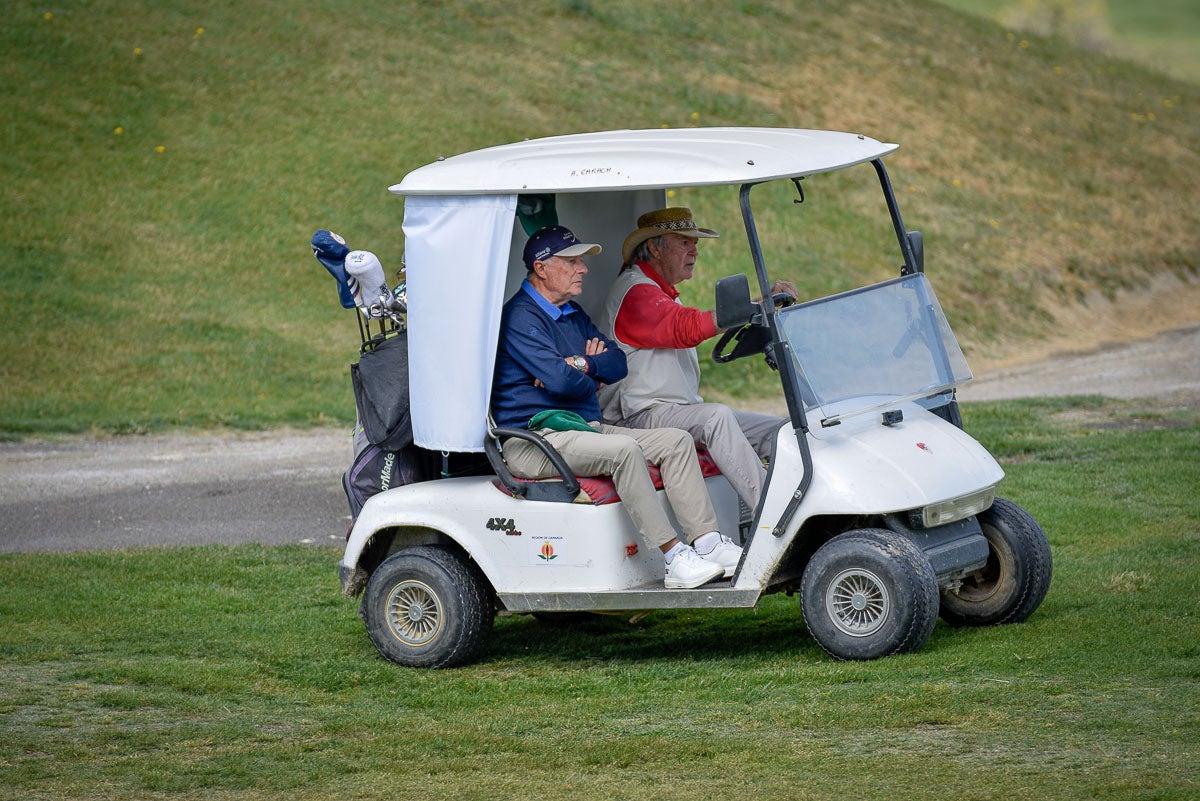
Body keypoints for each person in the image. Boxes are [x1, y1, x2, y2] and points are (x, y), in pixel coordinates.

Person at [491, 225, 742, 589]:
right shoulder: (520, 317)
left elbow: (616, 365)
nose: (584, 269)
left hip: (579, 427)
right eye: (573, 261)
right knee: (623, 450)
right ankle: (673, 557)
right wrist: (583, 372)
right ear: (542, 267)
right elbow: (563, 383)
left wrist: (577, 365)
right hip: (534, 438)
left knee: (675, 441)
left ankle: (706, 544)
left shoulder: (571, 312)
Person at [597, 207, 798, 512]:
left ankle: (810, 498)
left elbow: (691, 321)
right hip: (637, 415)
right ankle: (775, 514)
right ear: (654, 246)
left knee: (781, 430)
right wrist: (750, 306)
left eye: (695, 244)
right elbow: (687, 327)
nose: (695, 251)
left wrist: (761, 302)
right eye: (684, 243)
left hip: (670, 411)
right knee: (715, 417)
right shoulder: (636, 292)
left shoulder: (658, 292)